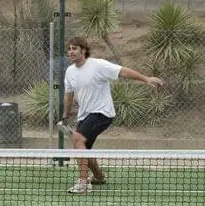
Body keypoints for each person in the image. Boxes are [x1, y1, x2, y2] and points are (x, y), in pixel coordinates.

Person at [62, 36, 164, 194]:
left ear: (83, 50)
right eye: (69, 49)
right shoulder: (70, 72)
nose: (71, 52)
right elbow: (68, 95)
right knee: (83, 148)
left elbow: (123, 71)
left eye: (74, 48)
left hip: (102, 113)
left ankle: (83, 183)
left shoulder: (98, 65)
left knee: (77, 139)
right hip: (84, 115)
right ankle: (99, 176)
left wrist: (145, 79)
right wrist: (65, 114)